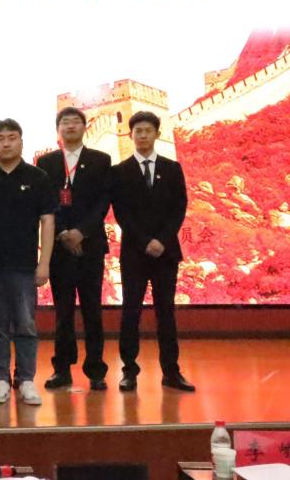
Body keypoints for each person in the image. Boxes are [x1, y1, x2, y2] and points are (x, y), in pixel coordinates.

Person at [0, 119, 56, 407]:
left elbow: (47, 221)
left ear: (21, 141)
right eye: (0, 138)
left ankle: (26, 378)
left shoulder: (38, 177)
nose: (5, 143)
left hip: (24, 266)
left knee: (25, 323)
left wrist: (44, 263)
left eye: (11, 137)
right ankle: (0, 378)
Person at [111, 111, 195, 393]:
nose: (143, 135)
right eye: (138, 131)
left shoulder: (172, 168)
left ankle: (171, 371)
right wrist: (145, 240)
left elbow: (179, 207)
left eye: (148, 130)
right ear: (131, 135)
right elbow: (121, 212)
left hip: (165, 253)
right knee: (130, 312)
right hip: (134, 253)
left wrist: (161, 240)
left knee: (166, 313)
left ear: (157, 134)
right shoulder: (120, 171)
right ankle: (128, 371)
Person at [35, 107, 111, 392]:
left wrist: (81, 232)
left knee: (92, 310)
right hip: (59, 247)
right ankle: (62, 369)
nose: (70, 126)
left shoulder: (100, 160)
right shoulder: (47, 162)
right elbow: (46, 202)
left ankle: (96, 370)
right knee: (63, 312)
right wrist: (65, 233)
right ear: (58, 129)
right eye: (64, 122)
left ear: (84, 127)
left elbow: (103, 202)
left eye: (75, 122)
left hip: (90, 246)